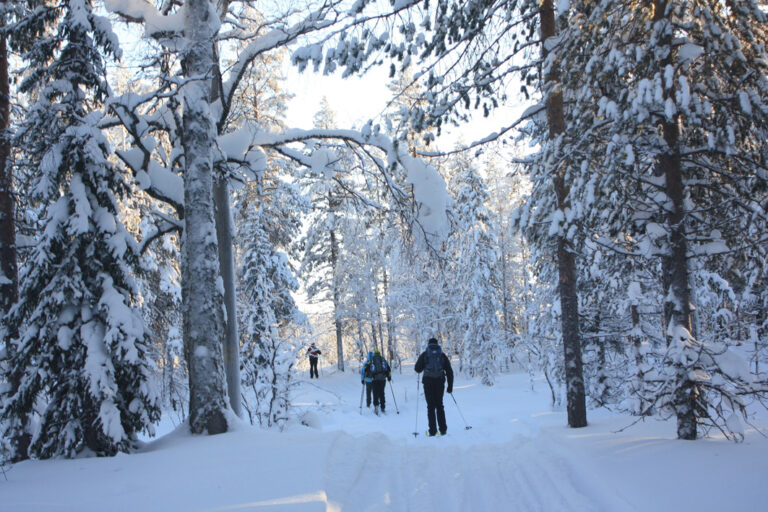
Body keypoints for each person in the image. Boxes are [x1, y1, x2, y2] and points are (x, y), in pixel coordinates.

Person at [414, 337, 454, 436]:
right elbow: (449, 371)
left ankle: (432, 431)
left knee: (430, 407)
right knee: (439, 405)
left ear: (428, 344)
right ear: (437, 344)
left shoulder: (425, 354)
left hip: (428, 382)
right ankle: (443, 430)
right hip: (440, 382)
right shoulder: (442, 355)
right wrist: (450, 387)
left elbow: (417, 369)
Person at [365, 350, 391, 414]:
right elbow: (388, 369)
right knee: (382, 393)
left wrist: (366, 376)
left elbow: (367, 369)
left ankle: (376, 406)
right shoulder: (383, 360)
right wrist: (389, 377)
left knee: (375, 393)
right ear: (379, 354)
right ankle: (383, 407)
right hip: (382, 379)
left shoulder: (372, 360)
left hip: (375, 379)